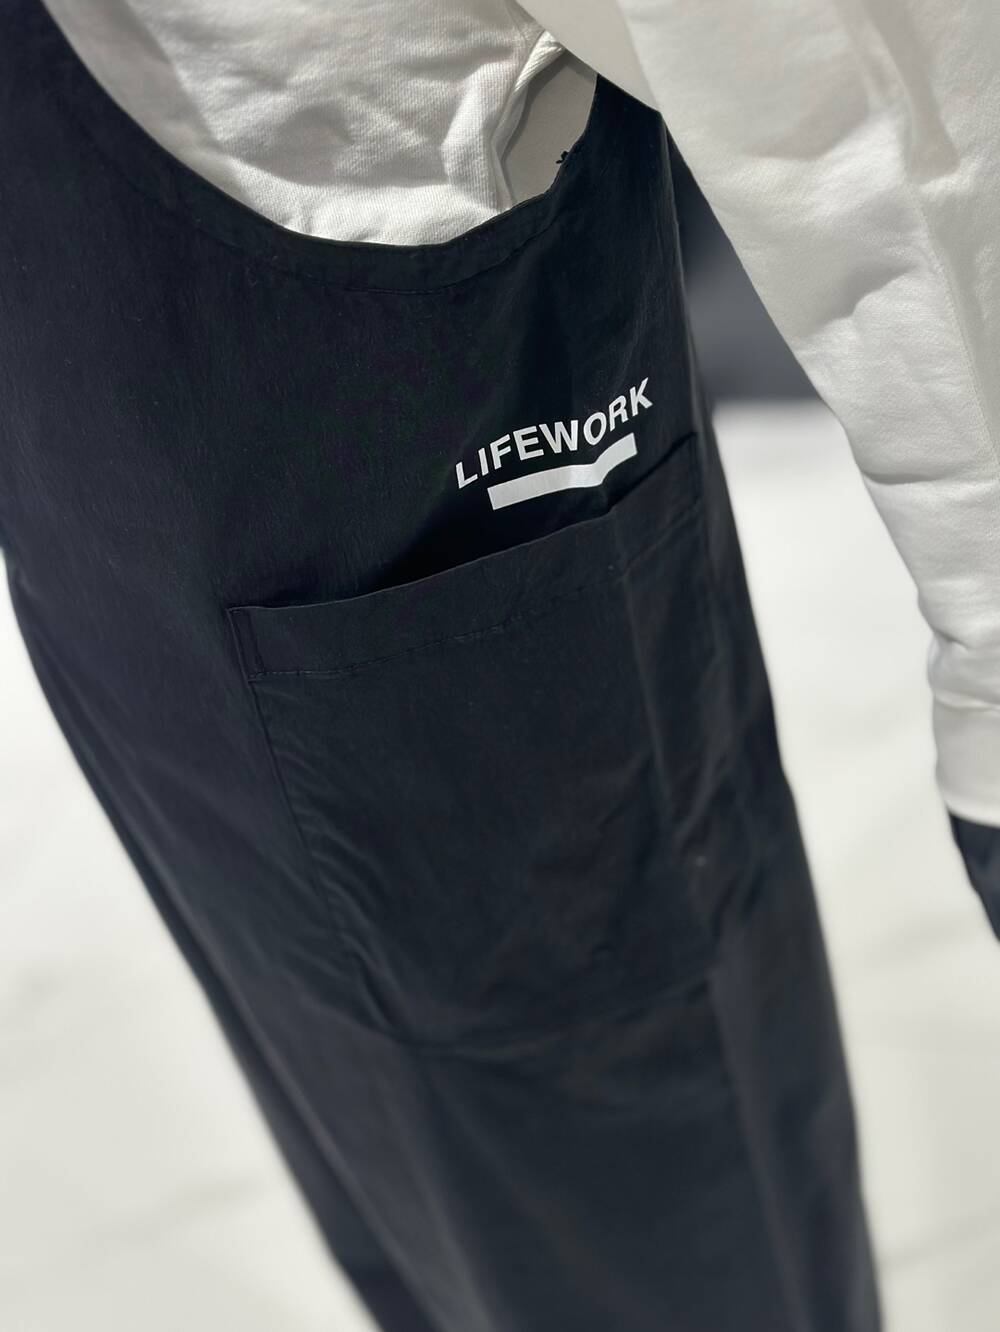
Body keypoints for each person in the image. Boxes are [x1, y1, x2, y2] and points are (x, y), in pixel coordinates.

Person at [0, 2, 994, 1329]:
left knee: (669, 1238)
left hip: (418, 389)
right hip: (101, 484)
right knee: (408, 1197)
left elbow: (844, 91)